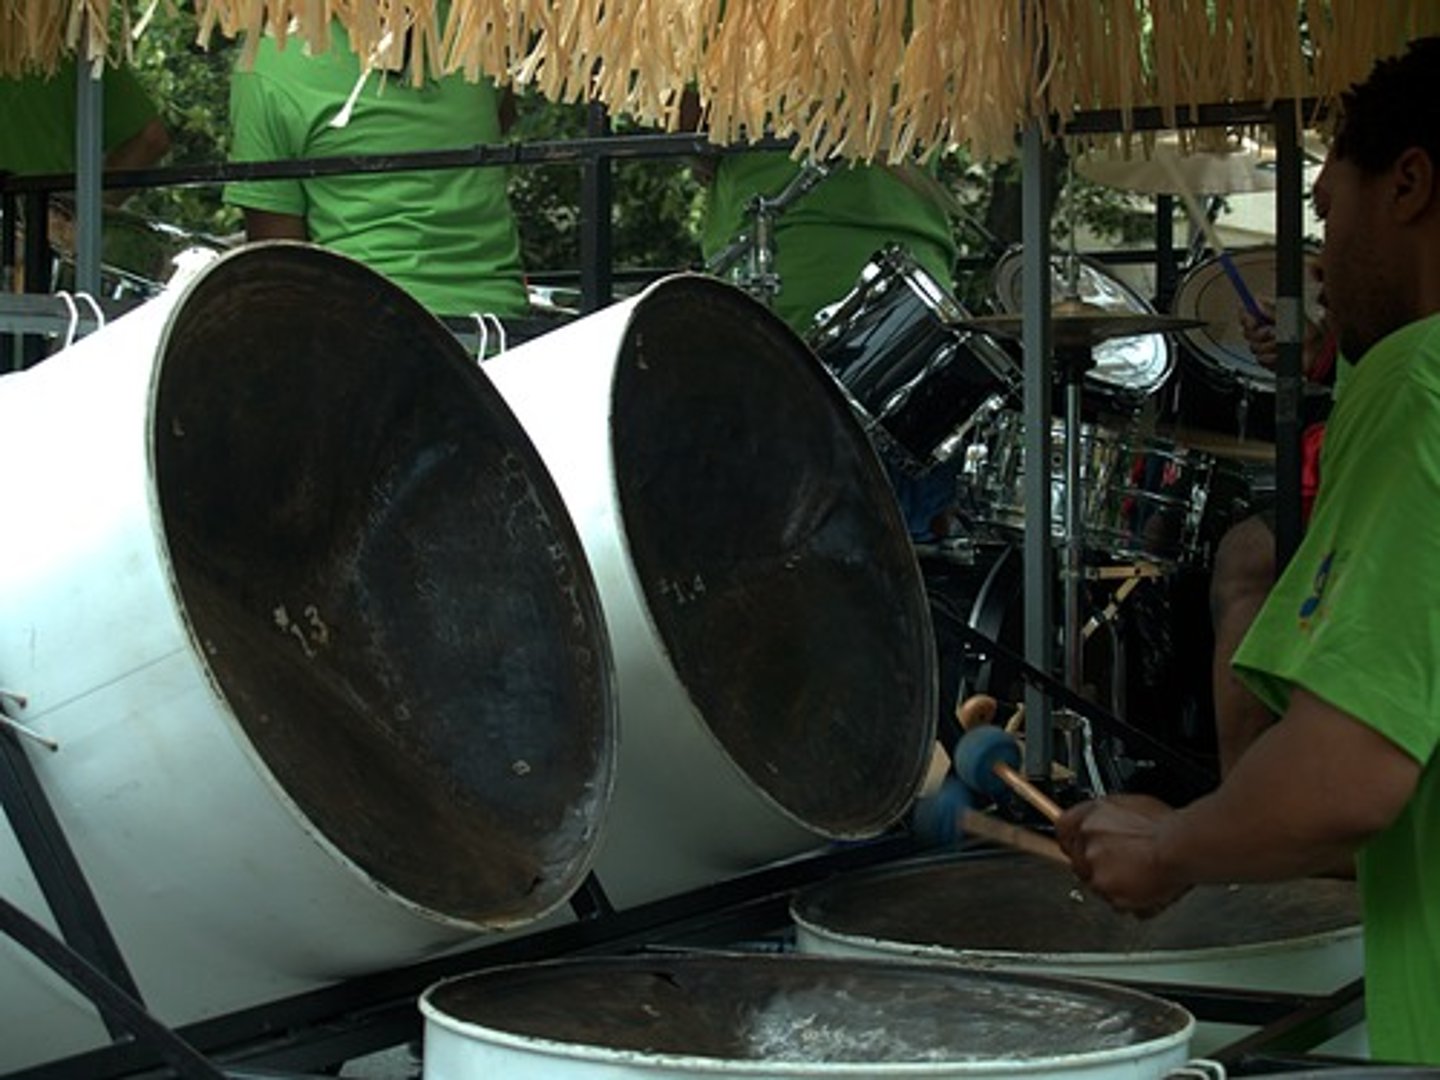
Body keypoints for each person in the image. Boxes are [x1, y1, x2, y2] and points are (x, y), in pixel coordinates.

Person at [1058, 36, 1440, 1066]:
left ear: (1409, 184)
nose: (1323, 250)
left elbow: (1349, 778)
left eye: (1327, 210)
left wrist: (1173, 846)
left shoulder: (1418, 386)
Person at [224, 22, 528, 321]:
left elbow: (281, 265)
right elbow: (500, 117)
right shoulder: (475, 31)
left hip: (361, 332)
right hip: (502, 326)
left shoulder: (268, 65)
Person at [0, 58, 171, 200]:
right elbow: (151, 139)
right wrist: (86, 215)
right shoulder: (73, 31)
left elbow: (151, 138)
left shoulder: (69, 29)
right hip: (43, 223)